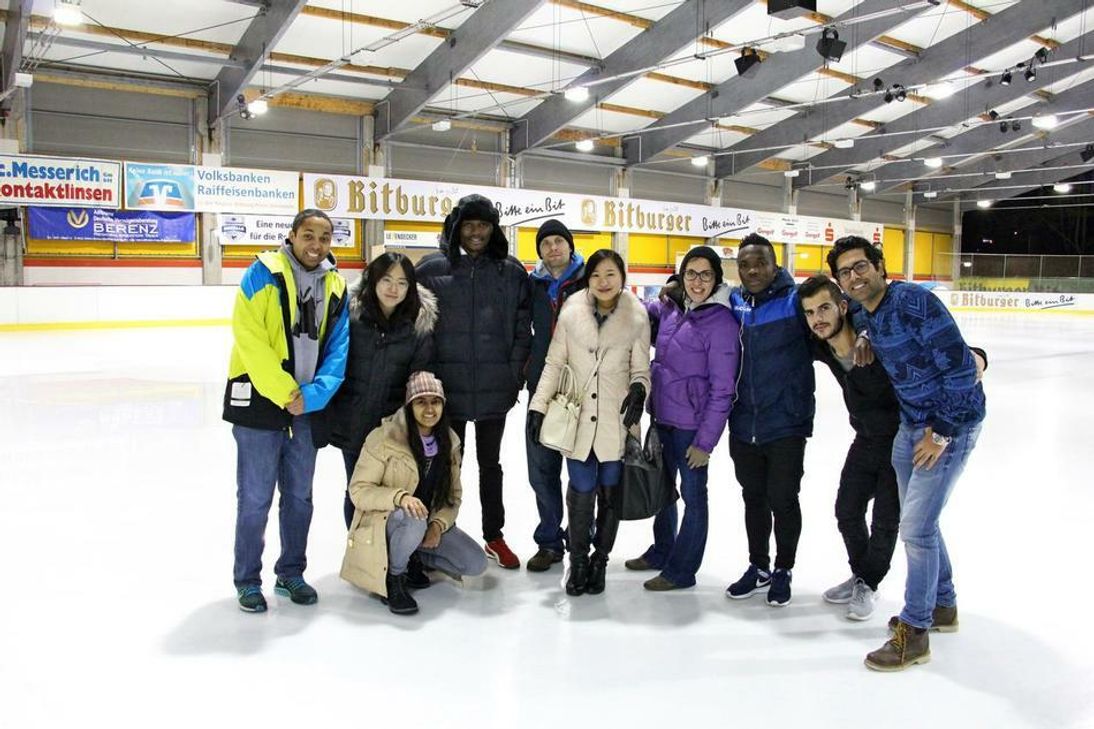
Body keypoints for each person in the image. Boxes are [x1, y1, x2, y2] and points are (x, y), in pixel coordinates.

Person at [828, 236, 986, 672]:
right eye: (845, 272)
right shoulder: (864, 310)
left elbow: (961, 368)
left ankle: (914, 633)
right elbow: (861, 317)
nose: (854, 277)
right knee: (922, 522)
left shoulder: (914, 302)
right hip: (909, 425)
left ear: (880, 265)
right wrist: (862, 333)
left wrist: (942, 433)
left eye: (861, 267)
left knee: (915, 527)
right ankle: (944, 604)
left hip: (949, 426)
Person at [800, 275, 988, 622]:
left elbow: (934, 347)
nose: (818, 317)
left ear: (843, 306)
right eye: (811, 312)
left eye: (825, 307)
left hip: (902, 437)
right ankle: (864, 577)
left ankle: (872, 585)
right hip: (866, 439)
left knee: (890, 522)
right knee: (847, 511)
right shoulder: (819, 343)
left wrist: (977, 356)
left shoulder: (874, 331)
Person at [223, 208, 349, 613]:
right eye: (308, 235)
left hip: (307, 408)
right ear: (292, 235)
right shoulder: (261, 272)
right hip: (261, 402)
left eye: (324, 238)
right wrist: (285, 392)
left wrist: (311, 397)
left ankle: (291, 572)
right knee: (256, 497)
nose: (316, 245)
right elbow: (249, 337)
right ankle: (247, 580)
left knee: (299, 497)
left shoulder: (337, 286)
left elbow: (338, 351)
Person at [416, 194, 532, 569]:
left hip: (495, 390)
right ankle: (437, 532)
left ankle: (493, 535)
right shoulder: (430, 270)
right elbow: (419, 329)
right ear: (457, 228)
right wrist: (428, 380)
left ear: (493, 229)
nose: (477, 232)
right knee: (445, 465)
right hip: (446, 394)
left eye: (483, 225)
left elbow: (521, 329)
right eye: (470, 225)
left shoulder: (511, 271)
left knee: (491, 465)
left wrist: (513, 375)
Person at [527, 249, 651, 596]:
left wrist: (640, 390)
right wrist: (538, 406)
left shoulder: (637, 316)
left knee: (610, 493)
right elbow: (553, 363)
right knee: (581, 488)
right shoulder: (571, 312)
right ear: (588, 278)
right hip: (578, 419)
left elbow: (641, 369)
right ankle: (578, 560)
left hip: (616, 420)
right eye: (596, 275)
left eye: (610, 274)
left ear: (622, 277)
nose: (603, 282)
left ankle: (600, 560)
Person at [625, 246, 739, 591]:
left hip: (691, 429)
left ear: (716, 278)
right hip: (662, 418)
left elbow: (723, 390)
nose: (698, 281)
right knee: (662, 490)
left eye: (706, 274)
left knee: (693, 497)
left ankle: (682, 569)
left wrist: (705, 443)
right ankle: (662, 550)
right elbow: (642, 311)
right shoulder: (672, 310)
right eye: (691, 273)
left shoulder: (721, 323)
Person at [341, 371, 487, 616]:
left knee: (475, 563)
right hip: (387, 522)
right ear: (409, 406)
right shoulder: (384, 438)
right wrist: (399, 498)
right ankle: (394, 578)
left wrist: (439, 525)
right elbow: (358, 490)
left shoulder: (449, 441)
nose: (429, 409)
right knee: (414, 517)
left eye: (435, 401)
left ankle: (411, 557)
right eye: (421, 402)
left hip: (423, 523)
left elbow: (453, 495)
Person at [723, 233, 817, 607]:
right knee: (753, 498)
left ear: (775, 264)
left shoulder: (796, 302)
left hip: (786, 422)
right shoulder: (733, 301)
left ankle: (783, 569)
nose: (752, 270)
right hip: (744, 421)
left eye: (759, 262)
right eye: (744, 265)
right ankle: (758, 566)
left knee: (783, 498)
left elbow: (837, 319)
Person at [319, 252, 437, 529]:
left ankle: (392, 559)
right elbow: (333, 364)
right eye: (386, 280)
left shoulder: (417, 326)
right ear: (372, 280)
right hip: (352, 422)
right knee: (358, 489)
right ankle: (359, 556)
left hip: (392, 428)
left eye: (402, 282)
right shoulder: (349, 317)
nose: (393, 288)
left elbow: (418, 378)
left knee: (393, 491)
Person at [525, 219, 586, 572]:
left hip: (583, 391)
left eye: (558, 241)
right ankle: (549, 541)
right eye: (545, 243)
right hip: (542, 390)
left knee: (581, 473)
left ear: (569, 245)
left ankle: (582, 540)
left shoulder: (589, 279)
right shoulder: (533, 285)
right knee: (541, 471)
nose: (552, 248)